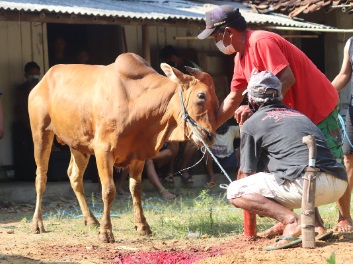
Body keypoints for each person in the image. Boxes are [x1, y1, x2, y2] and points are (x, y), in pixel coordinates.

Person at [198, 4, 344, 235]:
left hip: (317, 107)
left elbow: (287, 78)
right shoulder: (240, 59)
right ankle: (308, 222)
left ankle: (344, 217)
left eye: (215, 35)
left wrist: (259, 111)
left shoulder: (261, 41)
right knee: (291, 166)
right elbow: (234, 96)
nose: (214, 41)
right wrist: (209, 128)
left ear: (227, 32)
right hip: (289, 116)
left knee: (327, 163)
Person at [227, 70, 347, 250]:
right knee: (297, 166)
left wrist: (260, 204)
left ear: (251, 101)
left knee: (235, 191)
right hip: (338, 184)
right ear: (280, 96)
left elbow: (246, 174)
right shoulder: (299, 115)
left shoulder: (253, 123)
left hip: (307, 186)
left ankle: (291, 221)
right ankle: (315, 225)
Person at [159, 45, 202, 183]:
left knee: (193, 141)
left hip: (192, 109)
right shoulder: (184, 65)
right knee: (174, 140)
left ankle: (183, 170)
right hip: (178, 110)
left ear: (173, 58)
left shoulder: (189, 68)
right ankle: (170, 171)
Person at [331, 36, 353, 232]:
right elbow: (345, 74)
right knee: (348, 159)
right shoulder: (351, 43)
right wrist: (326, 90)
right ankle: (344, 217)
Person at [13, 62, 41, 180]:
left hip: (42, 123)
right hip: (27, 125)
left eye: (36, 73)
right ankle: (30, 175)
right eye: (31, 74)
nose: (34, 76)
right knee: (30, 150)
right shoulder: (21, 89)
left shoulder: (43, 86)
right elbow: (20, 107)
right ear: (25, 75)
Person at [203, 120, 240, 189]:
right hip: (215, 162)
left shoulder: (231, 130)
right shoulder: (209, 131)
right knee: (205, 149)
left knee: (242, 148)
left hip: (229, 161)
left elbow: (245, 131)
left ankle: (240, 178)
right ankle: (212, 178)